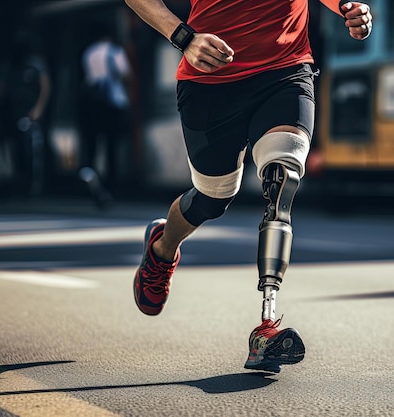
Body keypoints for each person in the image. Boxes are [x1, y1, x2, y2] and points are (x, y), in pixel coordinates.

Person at [124, 0, 372, 373]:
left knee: (282, 177)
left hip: (284, 70)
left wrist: (350, 8)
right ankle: (162, 246)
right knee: (213, 197)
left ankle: (266, 327)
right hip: (209, 83)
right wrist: (183, 37)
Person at [79, 24, 132, 207]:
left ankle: (91, 181)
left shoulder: (88, 53)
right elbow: (126, 75)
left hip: (93, 104)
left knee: (93, 145)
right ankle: (112, 188)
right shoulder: (115, 52)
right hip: (113, 104)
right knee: (112, 146)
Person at [0, 31, 51, 196]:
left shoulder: (36, 64)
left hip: (31, 114)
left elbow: (45, 86)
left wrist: (38, 108)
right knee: (16, 151)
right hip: (14, 114)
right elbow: (2, 91)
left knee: (33, 151)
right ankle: (20, 182)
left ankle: (35, 185)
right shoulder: (9, 66)